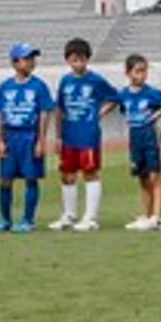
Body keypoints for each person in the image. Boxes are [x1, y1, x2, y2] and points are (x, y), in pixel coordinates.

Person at [52, 37, 120, 232]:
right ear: (68, 61)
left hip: (88, 135)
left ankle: (90, 217)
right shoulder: (65, 81)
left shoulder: (96, 80)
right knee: (67, 174)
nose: (78, 63)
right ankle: (69, 215)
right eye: (74, 59)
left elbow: (114, 97)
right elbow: (59, 109)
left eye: (82, 59)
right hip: (69, 135)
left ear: (88, 59)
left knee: (90, 173)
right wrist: (57, 136)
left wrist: (99, 113)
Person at [0, 43, 54, 233]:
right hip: (10, 136)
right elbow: (0, 114)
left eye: (32, 58)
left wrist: (41, 140)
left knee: (31, 178)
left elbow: (44, 113)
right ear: (15, 62)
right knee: (5, 179)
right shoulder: (5, 87)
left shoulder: (39, 86)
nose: (31, 62)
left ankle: (28, 219)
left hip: (29, 135)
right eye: (26, 58)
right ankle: (5, 218)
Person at [117, 54, 161, 230]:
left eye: (144, 71)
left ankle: (158, 216)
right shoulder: (124, 94)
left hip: (150, 136)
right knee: (142, 177)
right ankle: (147, 215)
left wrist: (155, 115)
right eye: (138, 71)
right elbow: (121, 108)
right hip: (135, 138)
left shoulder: (150, 93)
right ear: (128, 73)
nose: (142, 75)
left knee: (155, 175)